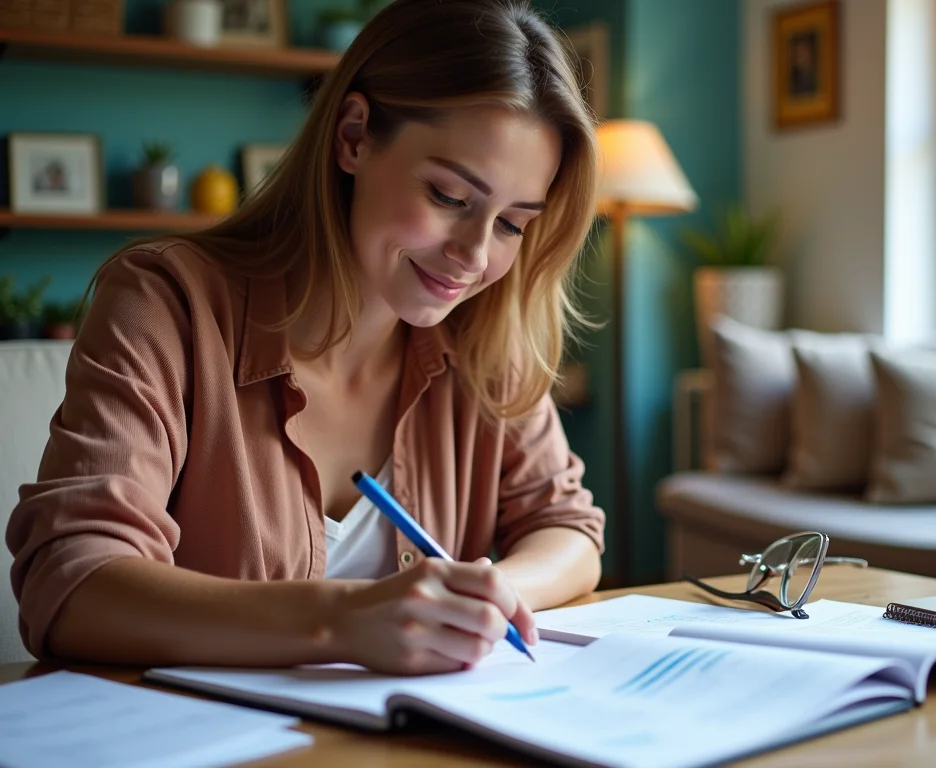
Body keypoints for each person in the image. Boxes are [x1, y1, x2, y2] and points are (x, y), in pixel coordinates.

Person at [6, 0, 605, 676]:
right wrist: (342, 620)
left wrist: (491, 597)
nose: (473, 256)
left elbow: (569, 530)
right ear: (353, 136)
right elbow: (71, 581)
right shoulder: (165, 303)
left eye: (511, 224)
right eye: (448, 197)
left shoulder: (487, 338)